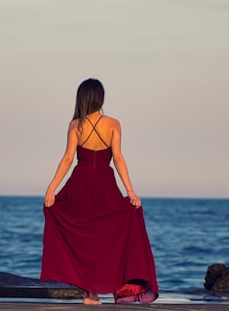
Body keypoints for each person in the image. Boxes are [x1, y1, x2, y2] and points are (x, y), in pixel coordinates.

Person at [40, 78, 158, 305]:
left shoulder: (76, 125)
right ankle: (93, 294)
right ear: (100, 98)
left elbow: (67, 159)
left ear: (82, 97)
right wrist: (130, 191)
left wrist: (51, 188)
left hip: (80, 184)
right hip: (104, 184)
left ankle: (90, 294)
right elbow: (119, 159)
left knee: (83, 240)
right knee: (105, 238)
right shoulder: (113, 123)